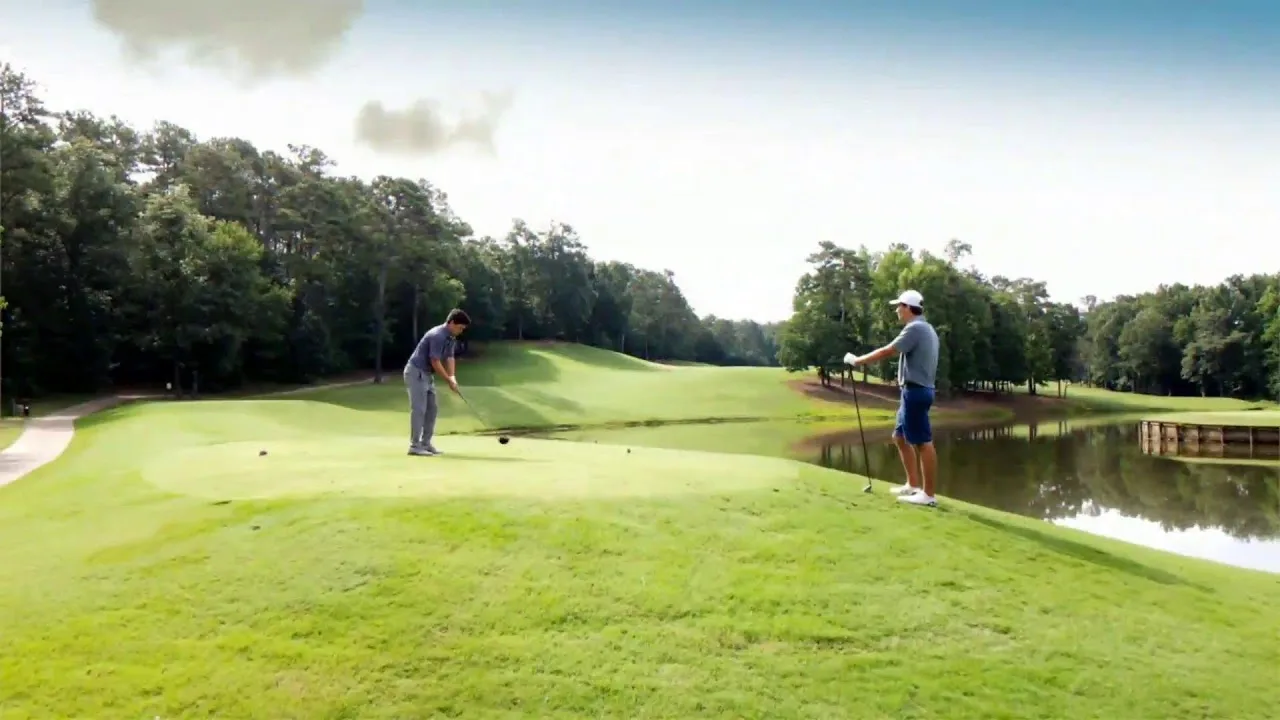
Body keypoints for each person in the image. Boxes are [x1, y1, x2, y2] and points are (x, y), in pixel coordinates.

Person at [844, 289, 941, 507]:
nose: (897, 310)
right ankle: (913, 485)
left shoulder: (915, 328)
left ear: (908, 307)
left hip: (916, 391)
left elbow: (888, 351)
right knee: (899, 436)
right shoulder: (925, 328)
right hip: (914, 391)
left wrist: (858, 361)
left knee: (923, 442)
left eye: (899, 306)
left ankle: (928, 495)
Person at [403, 308, 470, 456]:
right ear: (451, 322)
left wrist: (453, 377)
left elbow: (450, 357)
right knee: (419, 410)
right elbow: (435, 361)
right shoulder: (438, 335)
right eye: (460, 327)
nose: (461, 331)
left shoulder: (451, 337)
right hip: (416, 372)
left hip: (427, 375)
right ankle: (414, 446)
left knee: (432, 409)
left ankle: (425, 444)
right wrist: (447, 380)